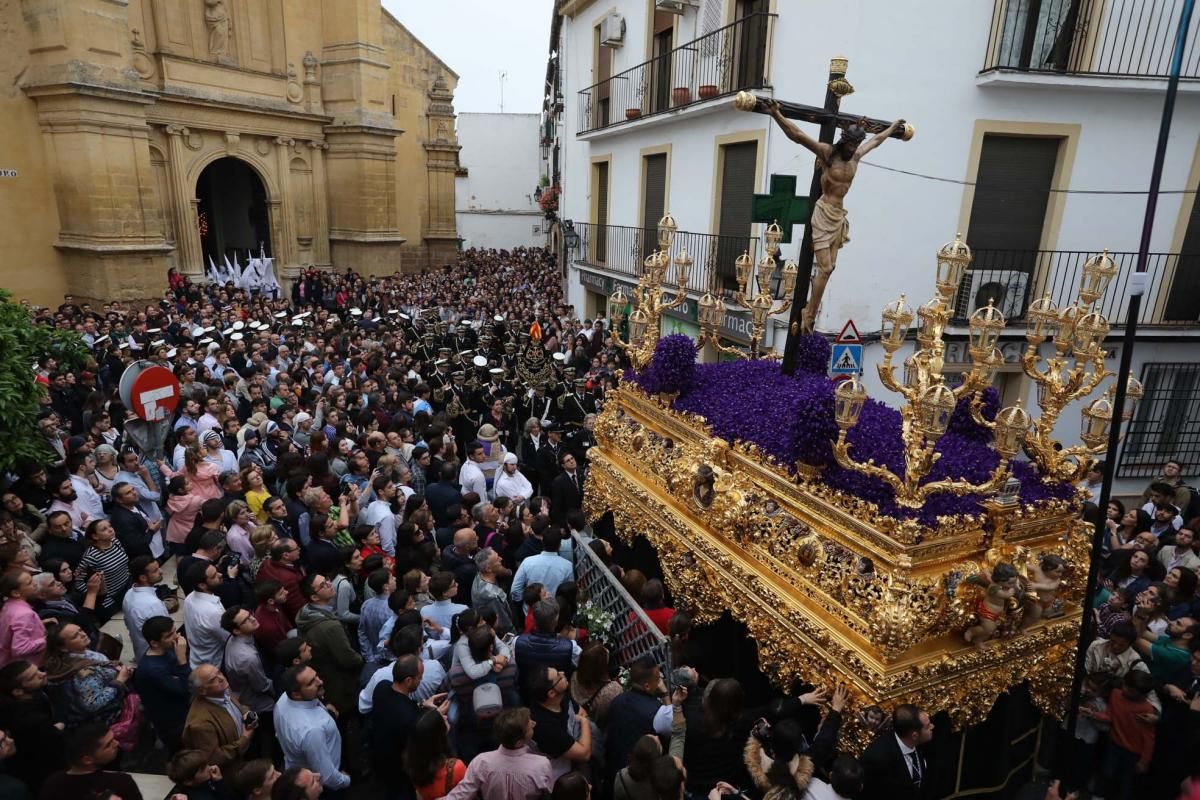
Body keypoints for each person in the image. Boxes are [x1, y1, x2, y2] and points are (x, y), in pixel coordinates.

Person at [370, 654, 448, 800]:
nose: (422, 680)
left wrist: (422, 705)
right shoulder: (410, 719)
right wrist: (435, 716)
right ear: (408, 680)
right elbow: (419, 735)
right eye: (420, 677)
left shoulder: (382, 687)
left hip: (379, 760)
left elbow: (398, 708)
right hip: (399, 773)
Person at [439, 707, 554, 800]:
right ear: (519, 742)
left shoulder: (481, 762)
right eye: (530, 725)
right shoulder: (541, 765)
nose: (534, 723)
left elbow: (461, 795)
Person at [274, 664, 352, 795]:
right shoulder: (312, 731)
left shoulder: (282, 701)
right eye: (311, 683)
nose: (320, 682)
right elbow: (327, 777)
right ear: (297, 694)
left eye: (316, 676)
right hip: (324, 785)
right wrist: (346, 780)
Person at [294, 572, 364, 717]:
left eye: (326, 579)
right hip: (338, 680)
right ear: (314, 597)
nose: (329, 584)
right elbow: (347, 658)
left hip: (324, 671)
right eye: (323, 585)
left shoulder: (306, 613)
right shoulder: (330, 627)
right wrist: (360, 659)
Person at [1083, 669, 1157, 799]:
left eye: (1131, 690)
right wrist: (1092, 714)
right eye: (1125, 686)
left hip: (1133, 752)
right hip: (1114, 744)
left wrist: (1144, 761)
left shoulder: (1147, 709)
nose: (1125, 690)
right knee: (1106, 773)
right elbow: (1110, 716)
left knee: (1125, 781)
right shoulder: (1115, 694)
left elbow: (1149, 738)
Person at [43, 622, 133, 727]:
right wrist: (120, 680)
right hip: (107, 719)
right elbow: (93, 704)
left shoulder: (79, 653)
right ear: (63, 648)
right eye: (75, 636)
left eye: (80, 630)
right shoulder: (81, 673)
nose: (83, 634)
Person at [0, 660, 65, 792]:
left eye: (38, 670)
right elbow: (55, 743)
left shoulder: (30, 697)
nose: (42, 674)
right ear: (18, 691)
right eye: (33, 677)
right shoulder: (31, 719)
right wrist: (58, 727)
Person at [133, 615, 192, 753]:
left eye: (175, 631)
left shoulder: (167, 651)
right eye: (169, 635)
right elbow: (187, 687)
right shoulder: (153, 669)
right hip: (173, 723)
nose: (176, 637)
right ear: (154, 643)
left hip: (181, 710)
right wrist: (182, 660)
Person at [181, 664, 258, 769]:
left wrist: (246, 713)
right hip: (232, 770)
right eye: (213, 680)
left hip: (245, 754)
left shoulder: (222, 690)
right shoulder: (200, 724)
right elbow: (214, 758)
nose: (221, 678)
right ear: (202, 691)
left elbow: (237, 704)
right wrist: (244, 739)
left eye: (219, 672)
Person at [39, 723, 143, 800]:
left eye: (113, 739)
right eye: (108, 745)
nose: (116, 743)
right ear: (87, 760)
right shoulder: (122, 782)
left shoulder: (52, 783)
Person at [529, 664, 592, 780]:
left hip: (571, 755)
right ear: (551, 693)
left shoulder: (561, 697)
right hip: (560, 776)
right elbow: (584, 754)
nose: (563, 673)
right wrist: (584, 722)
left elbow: (581, 711)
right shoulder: (545, 727)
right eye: (559, 676)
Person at [859, 703, 934, 800]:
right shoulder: (876, 760)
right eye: (927, 726)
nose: (932, 726)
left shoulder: (922, 741)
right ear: (914, 735)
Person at [221, 605, 275, 717]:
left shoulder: (235, 638)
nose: (253, 618)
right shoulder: (247, 657)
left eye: (250, 614)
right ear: (236, 631)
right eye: (246, 620)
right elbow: (262, 686)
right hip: (258, 703)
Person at [405, 707, 467, 800]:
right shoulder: (456, 768)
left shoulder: (413, 766)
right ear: (439, 735)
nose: (446, 717)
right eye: (442, 719)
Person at [122, 555, 171, 660]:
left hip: (141, 651)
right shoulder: (153, 604)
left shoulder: (129, 594)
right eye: (155, 570)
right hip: (157, 656)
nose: (161, 571)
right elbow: (166, 634)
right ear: (143, 577)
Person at [184, 561, 231, 669]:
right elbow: (228, 638)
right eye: (214, 576)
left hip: (197, 658)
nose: (220, 575)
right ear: (202, 585)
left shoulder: (189, 598)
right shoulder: (212, 612)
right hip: (215, 664)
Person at [511, 527, 573, 606]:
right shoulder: (568, 567)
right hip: (554, 611)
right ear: (560, 545)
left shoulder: (528, 562)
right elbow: (569, 592)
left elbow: (515, 589)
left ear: (542, 542)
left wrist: (525, 604)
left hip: (532, 610)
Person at [0, 571, 45, 667]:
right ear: (16, 593)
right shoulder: (24, 614)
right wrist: (45, 640)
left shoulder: (8, 605)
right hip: (26, 666)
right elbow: (20, 648)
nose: (35, 584)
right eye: (29, 583)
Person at [167, 749, 234, 800]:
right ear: (188, 781)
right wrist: (219, 783)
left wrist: (218, 781)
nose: (209, 768)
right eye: (202, 770)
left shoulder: (205, 780)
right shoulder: (199, 796)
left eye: (206, 764)